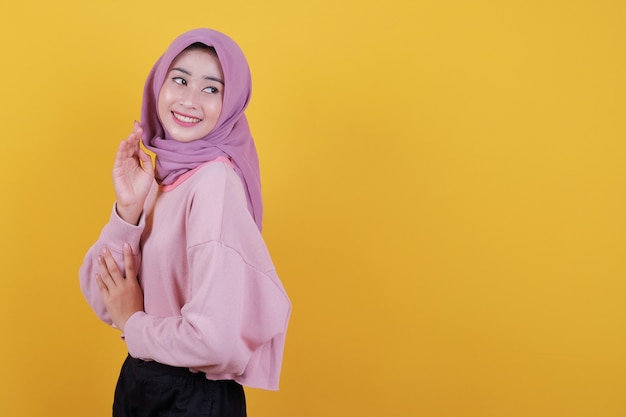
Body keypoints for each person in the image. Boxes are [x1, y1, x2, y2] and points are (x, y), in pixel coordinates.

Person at [79, 28, 291, 417]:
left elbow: (215, 342)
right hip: (141, 382)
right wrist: (128, 209)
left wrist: (136, 324)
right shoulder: (166, 175)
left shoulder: (214, 182)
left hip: (190, 398)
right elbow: (102, 298)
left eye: (212, 89)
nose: (190, 100)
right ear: (158, 84)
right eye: (179, 80)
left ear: (231, 104)